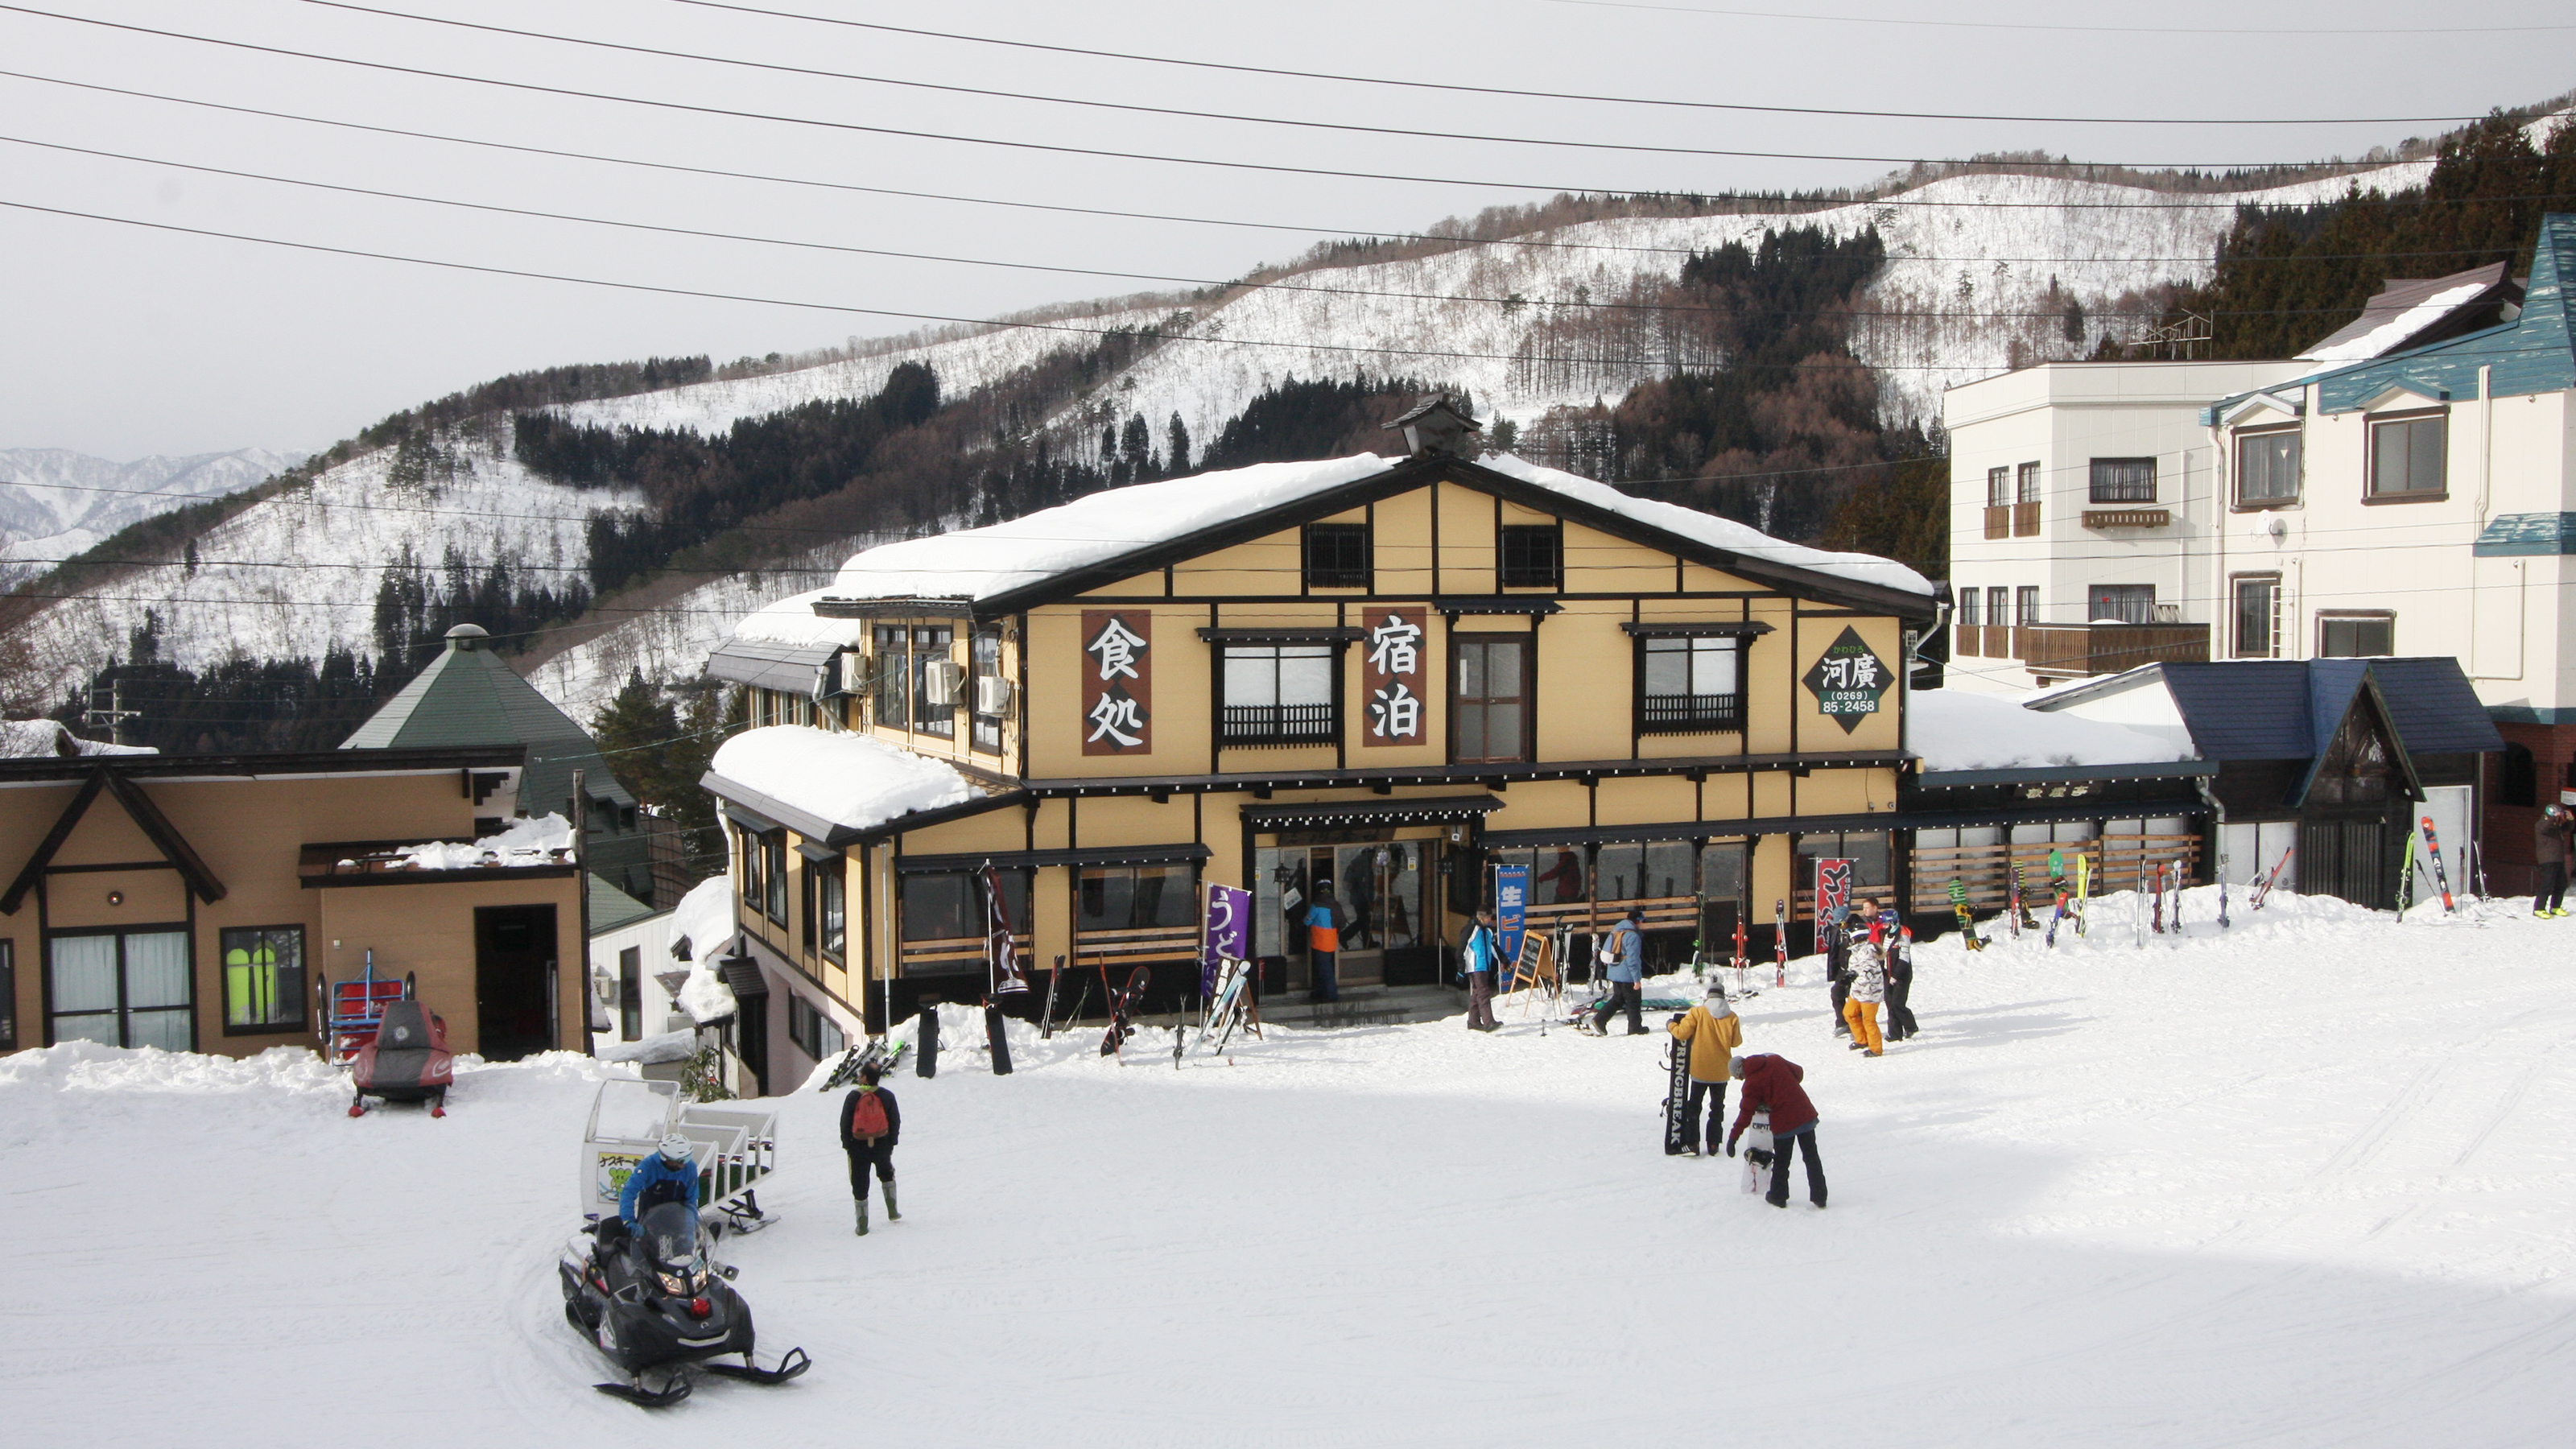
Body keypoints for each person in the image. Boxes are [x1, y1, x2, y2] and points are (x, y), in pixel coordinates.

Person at [1727, 1053, 1825, 1210]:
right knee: (1811, 1156)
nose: (1741, 1080)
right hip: (1804, 1112)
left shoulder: (1751, 1084)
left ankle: (1778, 1196)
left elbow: (1746, 1113)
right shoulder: (1774, 1060)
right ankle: (1820, 1196)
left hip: (1784, 1121)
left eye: (1739, 1077)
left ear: (1740, 1072)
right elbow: (1798, 1072)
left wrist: (1733, 1138)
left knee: (1781, 1161)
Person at [1666, 982, 1744, 1156]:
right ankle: (1714, 1144)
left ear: (1708, 996)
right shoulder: (1732, 1016)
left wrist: (1671, 1025)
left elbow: (1681, 1034)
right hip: (1722, 1072)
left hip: (1700, 1069)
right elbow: (1736, 1042)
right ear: (1723, 996)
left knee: (1694, 1108)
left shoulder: (1698, 1012)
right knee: (1717, 1108)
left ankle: (1693, 1143)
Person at [840, 1063, 903, 1236]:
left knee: (859, 1181)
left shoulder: (853, 1097)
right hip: (882, 1143)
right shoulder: (887, 1096)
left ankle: (862, 1225)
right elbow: (895, 1119)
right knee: (886, 1173)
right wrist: (892, 1142)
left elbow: (845, 1122)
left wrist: (847, 1144)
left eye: (860, 1074)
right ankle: (892, 1211)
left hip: (858, 1145)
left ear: (865, 1078)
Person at [619, 1133, 701, 1224]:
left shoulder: (690, 1168)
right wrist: (628, 1220)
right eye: (681, 1161)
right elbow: (629, 1191)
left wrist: (692, 1226)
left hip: (677, 1223)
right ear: (667, 1159)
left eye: (687, 1158)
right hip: (648, 1221)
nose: (684, 1165)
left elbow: (691, 1200)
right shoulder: (648, 1165)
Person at [1589, 906, 1647, 1036]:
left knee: (1618, 998)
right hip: (1626, 974)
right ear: (1637, 921)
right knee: (1634, 1001)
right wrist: (1636, 979)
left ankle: (1600, 1020)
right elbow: (1633, 959)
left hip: (1614, 971)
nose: (1643, 924)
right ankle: (1635, 1028)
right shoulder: (1632, 936)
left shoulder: (1617, 930)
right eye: (1642, 921)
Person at [1843, 933, 1886, 1056]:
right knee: (1849, 1013)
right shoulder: (1857, 951)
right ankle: (1862, 1039)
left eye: (1850, 938)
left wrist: (1855, 978)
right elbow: (1857, 968)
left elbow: (1869, 973)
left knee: (1869, 1020)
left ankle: (1876, 1048)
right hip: (1857, 991)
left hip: (1870, 992)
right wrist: (1850, 976)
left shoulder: (1866, 952)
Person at [1461, 907, 1502, 1032]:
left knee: (1478, 992)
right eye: (1488, 917)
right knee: (1484, 992)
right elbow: (1461, 948)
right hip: (1475, 966)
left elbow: (1494, 948)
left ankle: (1473, 1021)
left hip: (1484, 966)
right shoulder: (1471, 929)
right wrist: (1460, 967)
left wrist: (1505, 961)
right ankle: (1489, 1022)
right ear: (1480, 917)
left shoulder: (1488, 931)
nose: (1490, 919)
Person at [1306, 883, 1344, 1003]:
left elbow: (1307, 921)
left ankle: (1331, 994)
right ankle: (1321, 991)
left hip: (1319, 941)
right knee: (1325, 967)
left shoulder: (1316, 906)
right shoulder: (1336, 905)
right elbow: (1342, 922)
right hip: (1331, 941)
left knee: (1324, 969)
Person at [1883, 925, 1918, 1042]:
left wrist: (1896, 975)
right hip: (1887, 975)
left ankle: (1910, 1026)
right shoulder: (1885, 935)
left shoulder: (1903, 937)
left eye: (1886, 923)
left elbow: (1904, 959)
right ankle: (1894, 1033)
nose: (1884, 926)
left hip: (1901, 976)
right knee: (1890, 1004)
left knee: (1897, 1004)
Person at [2533, 805, 2570, 918]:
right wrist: (2553, 818)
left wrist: (2570, 819)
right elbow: (2545, 828)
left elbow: (2568, 828)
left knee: (2562, 884)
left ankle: (2555, 907)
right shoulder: (2541, 824)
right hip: (2547, 859)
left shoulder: (2555, 827)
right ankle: (2539, 908)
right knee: (2546, 885)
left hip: (2558, 859)